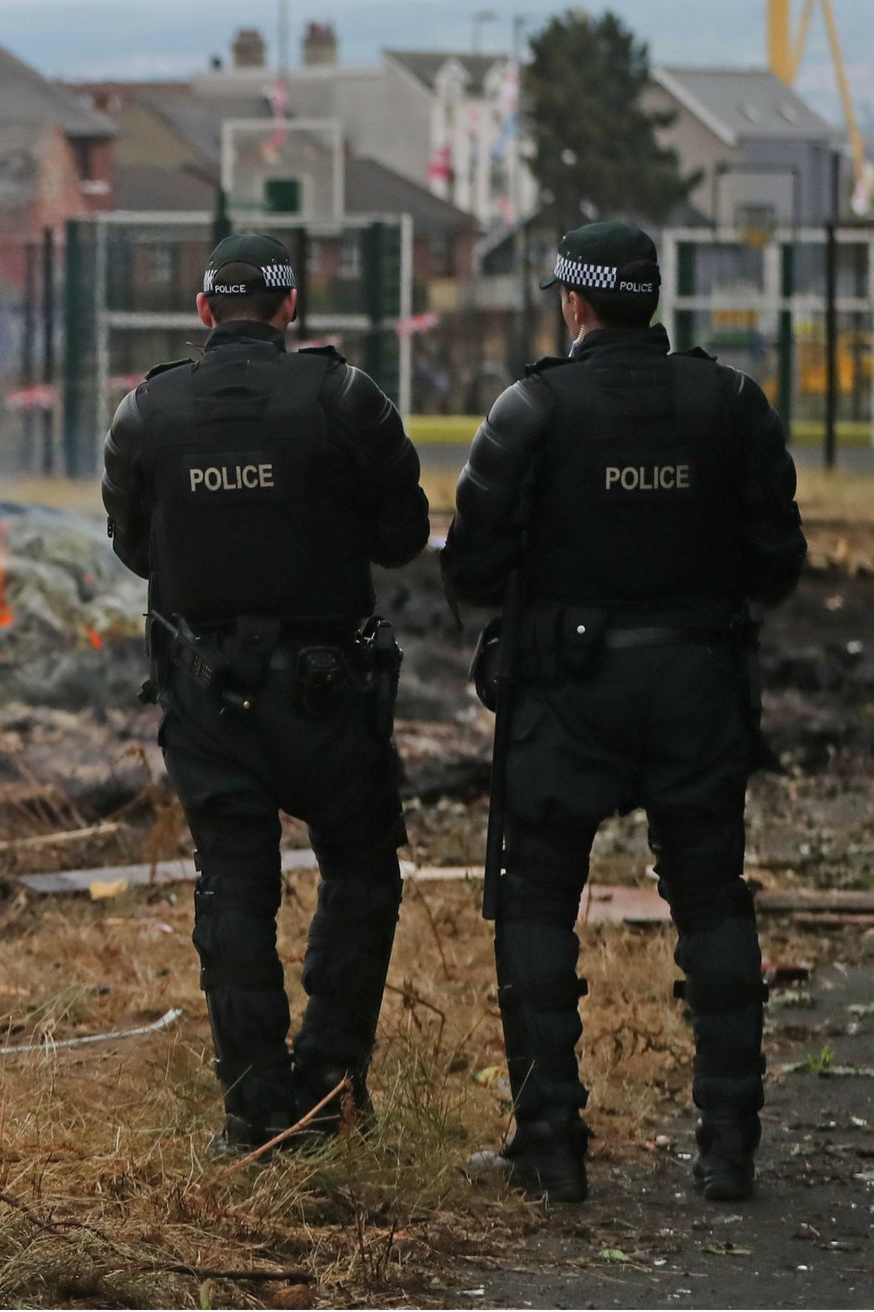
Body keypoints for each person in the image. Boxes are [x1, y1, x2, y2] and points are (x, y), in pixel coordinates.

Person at [442, 220, 805, 1204]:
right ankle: (727, 1146)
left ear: (573, 302)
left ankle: (549, 1144)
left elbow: (468, 569)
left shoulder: (531, 408)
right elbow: (778, 560)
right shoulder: (729, 402)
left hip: (565, 695)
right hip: (694, 686)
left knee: (533, 901)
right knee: (709, 898)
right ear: (651, 295)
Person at [102, 232, 431, 1149]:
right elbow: (404, 534)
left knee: (233, 889)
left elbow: (135, 547)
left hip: (209, 699)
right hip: (333, 696)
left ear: (204, 311)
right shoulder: (344, 397)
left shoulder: (147, 412)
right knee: (361, 872)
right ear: (290, 310)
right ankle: (330, 1088)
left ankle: (254, 1107)